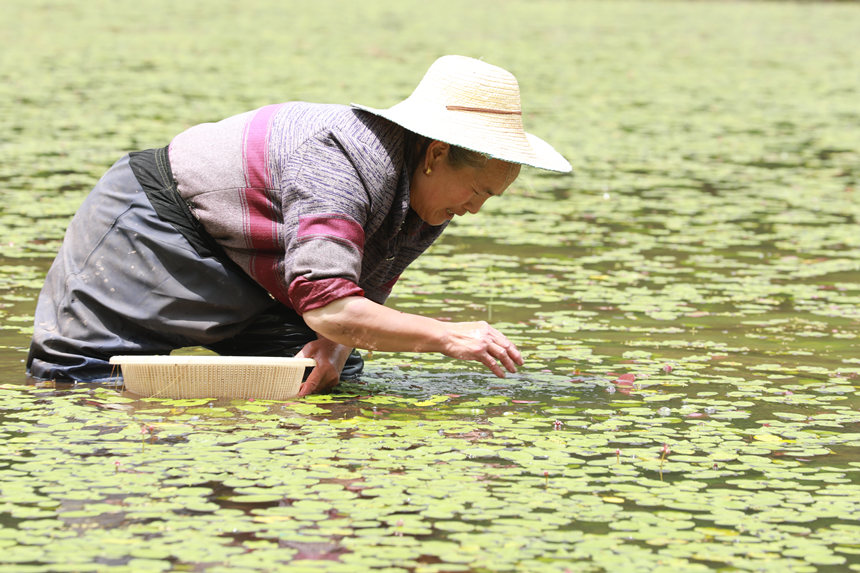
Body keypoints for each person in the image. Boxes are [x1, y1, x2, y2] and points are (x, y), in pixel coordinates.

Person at [26, 55, 571, 396]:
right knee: (78, 384)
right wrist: (448, 335)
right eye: (476, 192)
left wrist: (332, 349)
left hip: (263, 264)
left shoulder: (429, 201)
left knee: (322, 379)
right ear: (436, 154)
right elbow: (332, 307)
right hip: (159, 230)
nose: (476, 209)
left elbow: (357, 296)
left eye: (490, 199)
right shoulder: (338, 157)